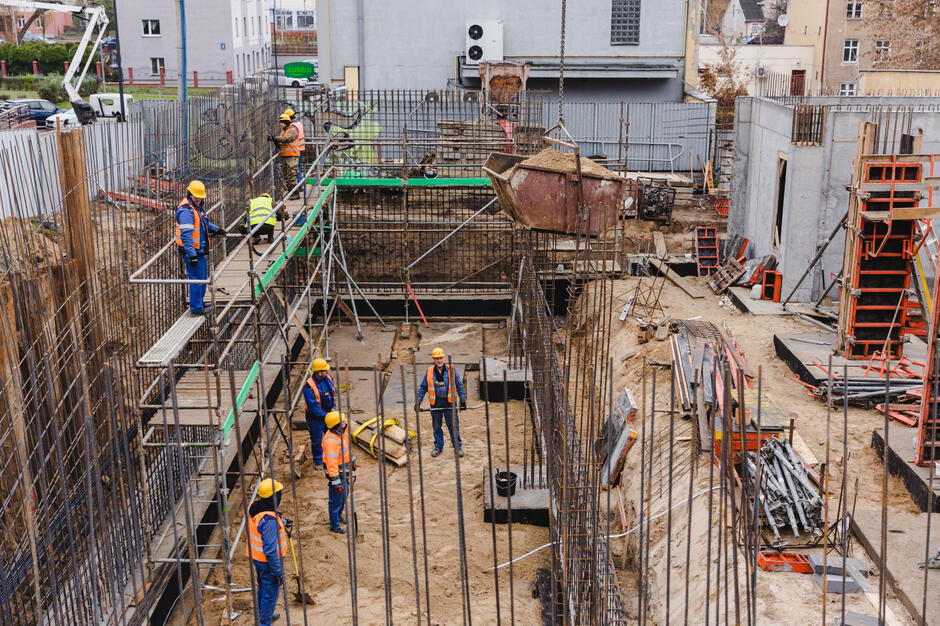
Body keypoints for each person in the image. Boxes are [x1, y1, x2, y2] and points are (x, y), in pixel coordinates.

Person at [246, 478, 291, 626]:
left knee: (263, 587)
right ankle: (264, 622)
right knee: (271, 593)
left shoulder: (255, 507)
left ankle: (263, 615)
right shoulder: (269, 521)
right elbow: (271, 550)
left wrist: (282, 523)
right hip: (268, 562)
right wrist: (277, 572)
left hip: (257, 559)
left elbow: (262, 525)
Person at [175, 180, 223, 315]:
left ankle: (199, 302)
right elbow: (186, 235)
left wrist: (217, 229)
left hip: (199, 250)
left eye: (200, 196)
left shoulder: (197, 207)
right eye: (196, 196)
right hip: (193, 251)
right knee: (196, 279)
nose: (199, 199)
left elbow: (204, 223)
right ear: (190, 194)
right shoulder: (186, 211)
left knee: (201, 277)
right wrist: (192, 255)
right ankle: (196, 308)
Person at [416, 347, 467, 458]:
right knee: (436, 426)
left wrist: (462, 400)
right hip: (435, 403)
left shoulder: (452, 370)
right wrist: (418, 401)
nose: (439, 360)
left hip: (449, 403)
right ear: (433, 360)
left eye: (440, 358)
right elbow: (423, 387)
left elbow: (459, 385)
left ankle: (457, 447)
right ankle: (438, 447)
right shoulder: (429, 371)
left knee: (453, 426)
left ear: (444, 358)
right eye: (436, 358)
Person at [322, 411, 355, 534]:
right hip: (337, 476)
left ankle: (339, 517)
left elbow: (347, 449)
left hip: (344, 473)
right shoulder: (331, 441)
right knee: (336, 501)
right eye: (342, 421)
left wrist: (353, 460)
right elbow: (331, 464)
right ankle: (334, 525)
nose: (345, 422)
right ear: (336, 425)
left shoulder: (341, 433)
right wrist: (336, 483)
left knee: (343, 497)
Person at [302, 358, 335, 471]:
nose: (322, 373)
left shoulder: (329, 379)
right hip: (315, 417)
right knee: (316, 440)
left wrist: (333, 408)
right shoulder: (309, 387)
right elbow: (312, 407)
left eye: (323, 371)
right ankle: (318, 461)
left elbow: (333, 395)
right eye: (319, 371)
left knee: (331, 436)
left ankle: (330, 457)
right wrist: (325, 415)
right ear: (315, 372)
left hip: (328, 413)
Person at [269, 113, 302, 200]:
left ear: (285, 122)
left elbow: (286, 139)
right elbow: (282, 142)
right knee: (286, 175)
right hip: (285, 155)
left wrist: (275, 138)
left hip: (292, 156)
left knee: (292, 175)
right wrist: (276, 141)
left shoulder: (292, 130)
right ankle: (291, 191)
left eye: (281, 122)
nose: (280, 124)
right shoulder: (284, 131)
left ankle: (296, 193)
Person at [283, 107, 305, 184]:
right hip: (300, 148)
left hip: (294, 150)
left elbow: (289, 138)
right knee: (297, 168)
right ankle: (300, 184)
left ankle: (299, 185)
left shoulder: (292, 126)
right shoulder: (299, 123)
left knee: (295, 169)